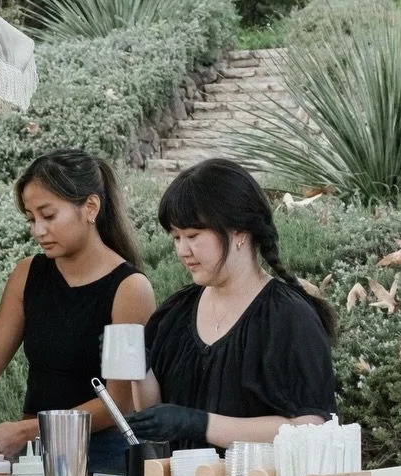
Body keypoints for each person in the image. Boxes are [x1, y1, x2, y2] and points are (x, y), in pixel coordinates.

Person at [0, 150, 155, 472]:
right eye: (30, 218)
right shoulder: (28, 274)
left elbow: (119, 403)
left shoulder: (130, 288)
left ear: (90, 207)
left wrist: (26, 430)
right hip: (35, 458)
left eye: (48, 216)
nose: (38, 230)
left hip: (100, 463)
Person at [128, 157, 338, 449]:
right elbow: (154, 410)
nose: (182, 250)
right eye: (175, 237)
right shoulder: (175, 312)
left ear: (239, 231)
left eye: (192, 236)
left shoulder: (288, 317)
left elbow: (311, 427)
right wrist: (136, 365)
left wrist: (201, 424)